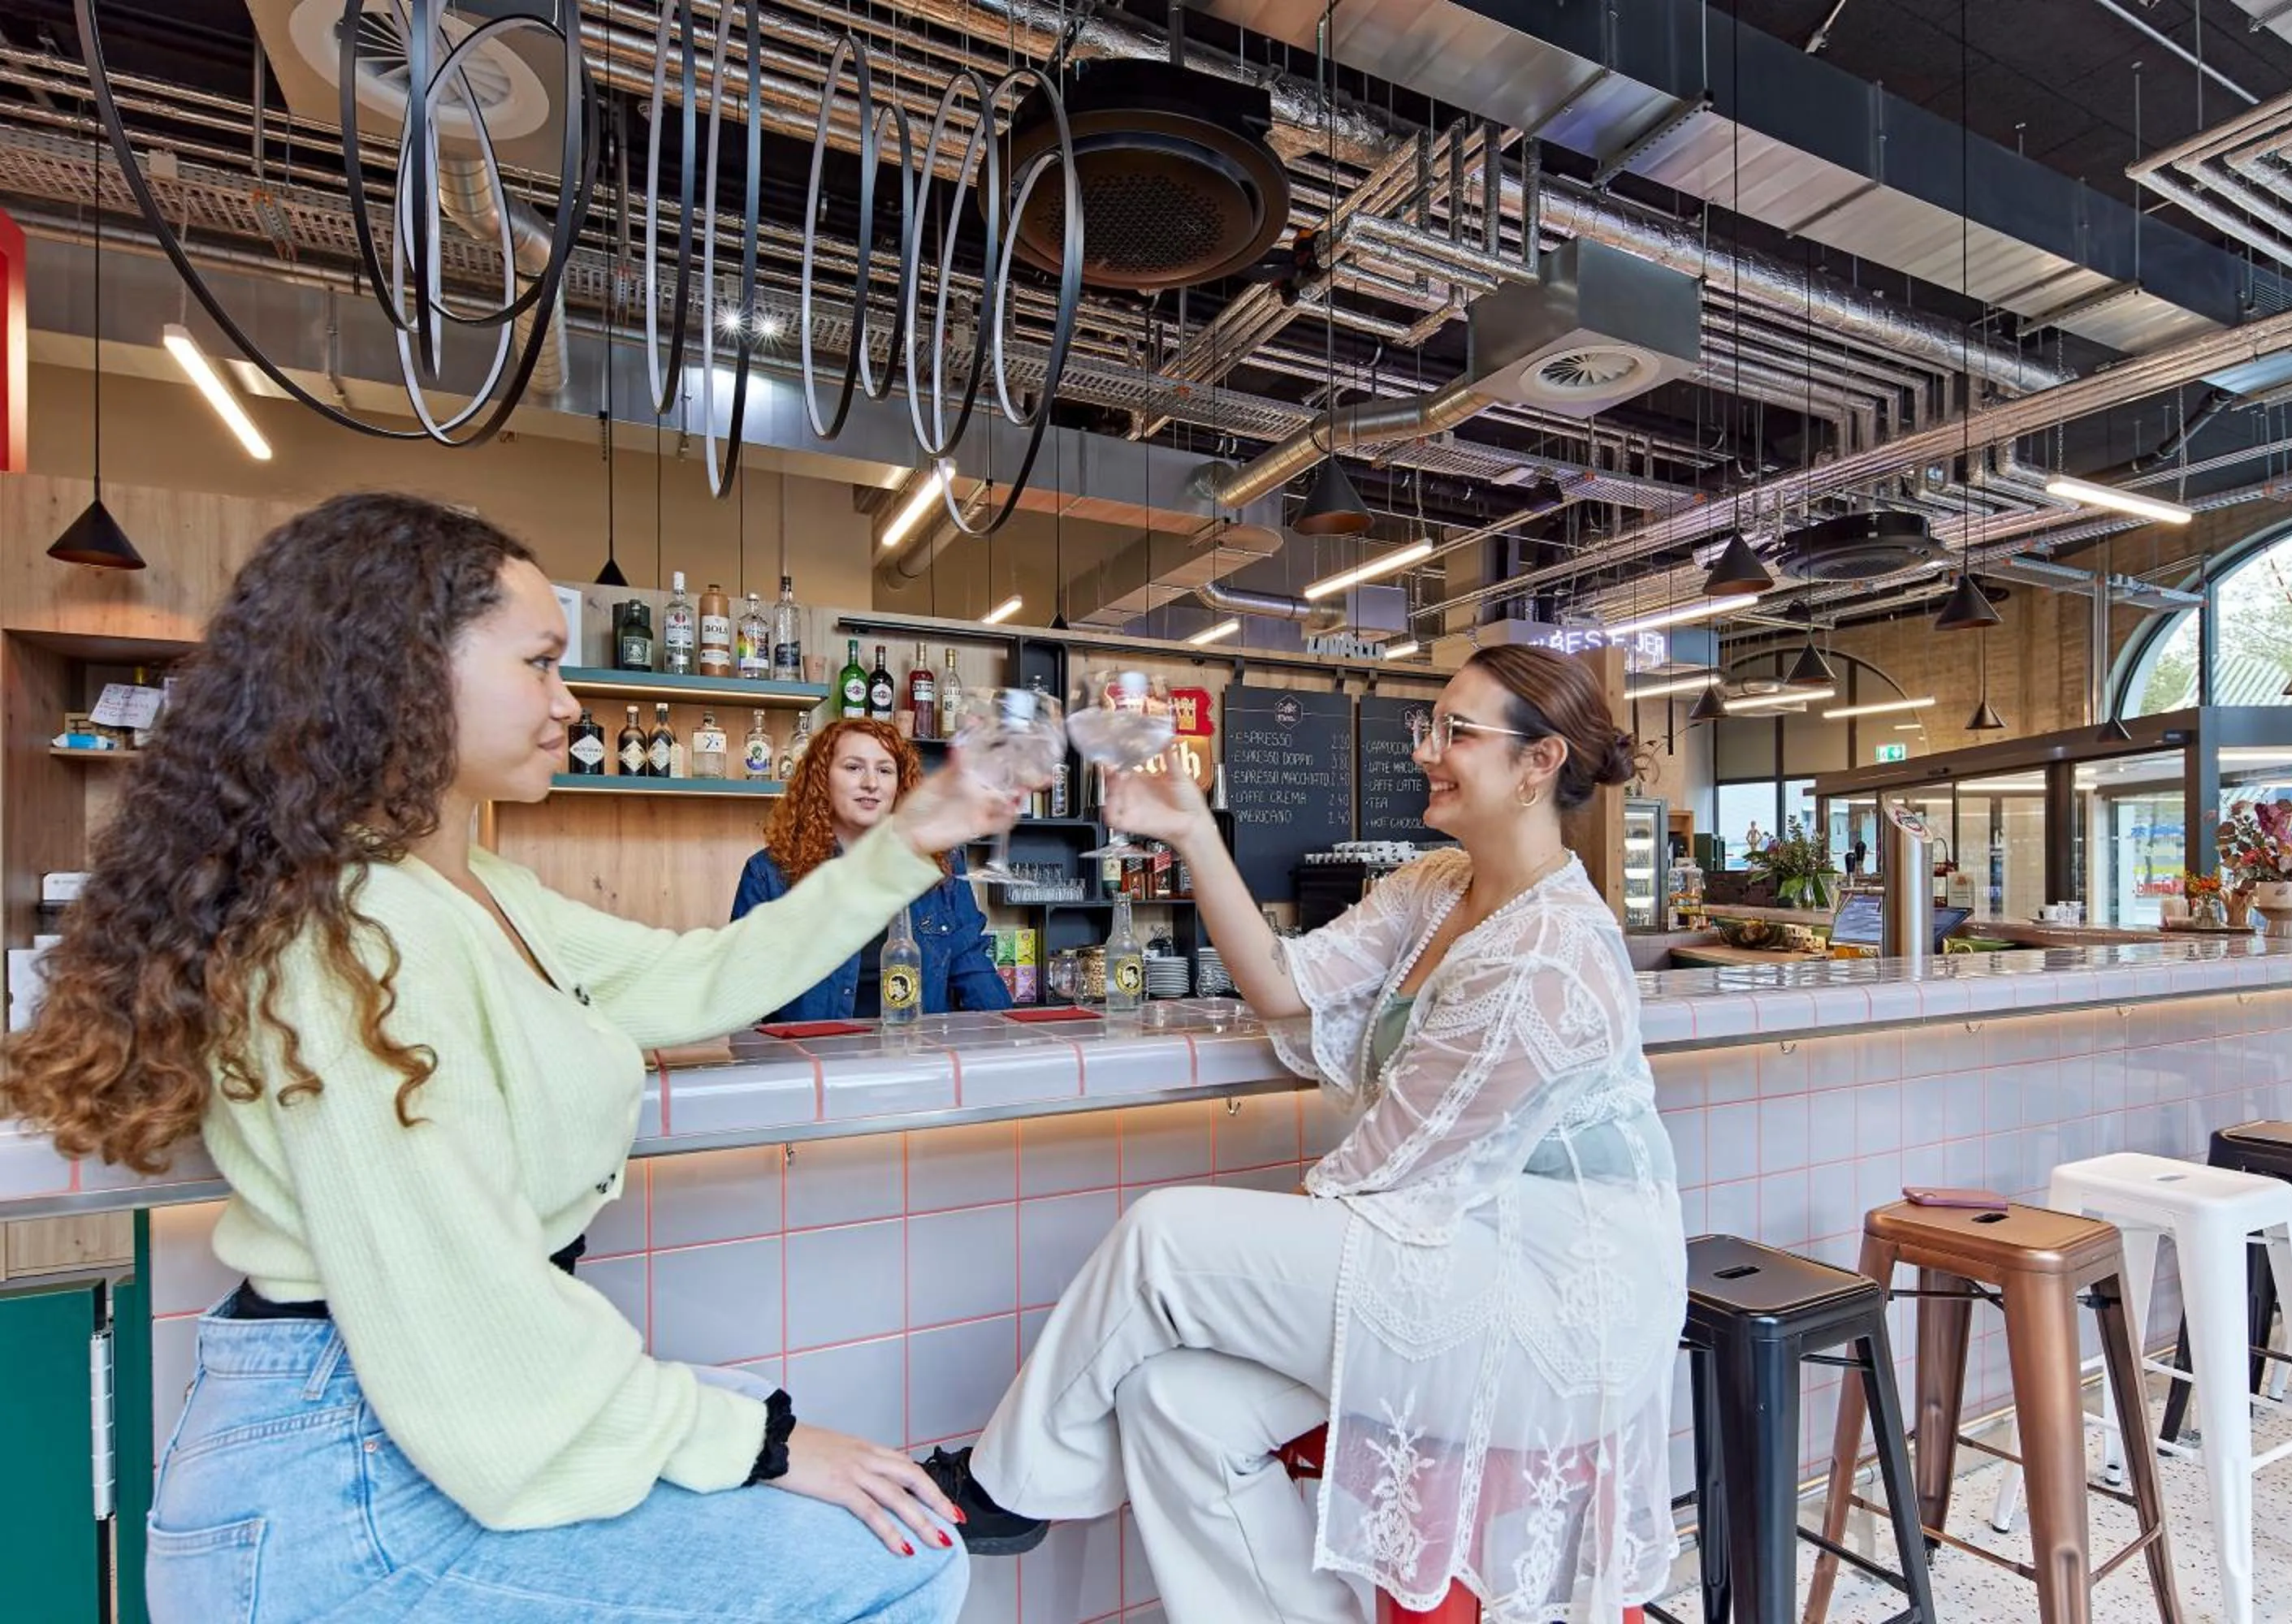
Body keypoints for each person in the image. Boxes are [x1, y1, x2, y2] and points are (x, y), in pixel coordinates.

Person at [0, 494, 1040, 1624]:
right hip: (344, 1487)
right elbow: (461, 1300)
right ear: (403, 674)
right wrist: (763, 1445)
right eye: (542, 664)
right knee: (903, 1559)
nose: (570, 703)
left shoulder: (477, 892)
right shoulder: (350, 931)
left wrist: (915, 839)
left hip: (397, 1421)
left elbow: (699, 978)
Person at [926, 645, 1689, 1623]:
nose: (1427, 750)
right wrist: (1195, 831)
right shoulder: (1436, 885)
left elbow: (1389, 1164)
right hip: (1455, 1245)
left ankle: (1006, 1486)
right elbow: (1286, 982)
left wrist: (1245, 1265)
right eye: (1431, 726)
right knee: (1173, 1403)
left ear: (1539, 763)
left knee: (1168, 1241)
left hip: (1553, 1303)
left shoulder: (1553, 950)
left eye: (1458, 731)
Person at [732, 719, 1010, 1021]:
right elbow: (740, 999)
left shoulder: (940, 865)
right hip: (814, 1063)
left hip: (916, 1061)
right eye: (853, 768)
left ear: (900, 785)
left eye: (885, 770)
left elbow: (971, 965)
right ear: (821, 779)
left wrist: (1013, 1041)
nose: (871, 783)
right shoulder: (769, 873)